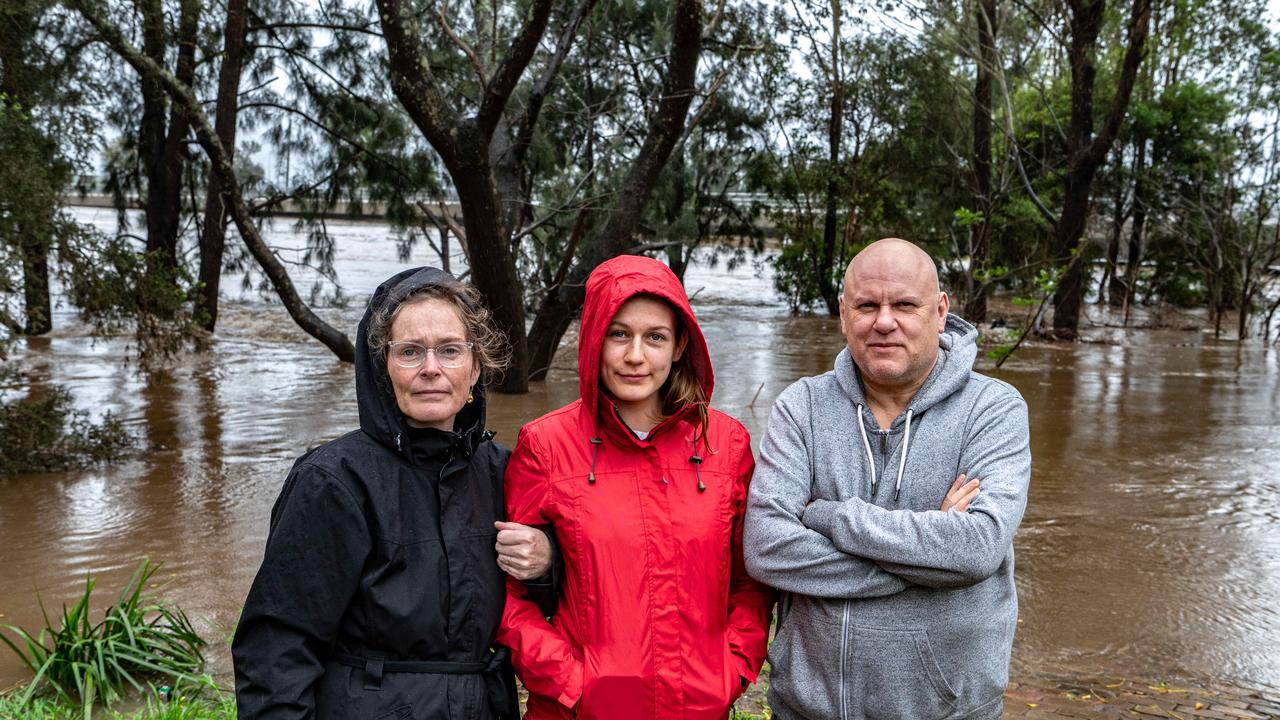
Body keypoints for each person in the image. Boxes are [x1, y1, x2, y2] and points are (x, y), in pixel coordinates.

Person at [232, 267, 553, 720]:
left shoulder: (506, 471)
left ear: (475, 367)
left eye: (449, 350)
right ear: (383, 368)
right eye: (409, 352)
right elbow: (276, 648)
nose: (430, 369)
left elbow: (567, 608)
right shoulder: (333, 481)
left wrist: (546, 564)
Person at [744, 238, 1031, 720]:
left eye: (904, 304)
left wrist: (829, 516)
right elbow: (767, 547)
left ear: (940, 311)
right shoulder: (802, 408)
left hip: (948, 711)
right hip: (806, 709)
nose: (883, 321)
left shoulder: (993, 409)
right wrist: (927, 561)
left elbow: (977, 547)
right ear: (842, 314)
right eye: (866, 305)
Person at [497, 255, 776, 720]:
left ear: (680, 344)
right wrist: (571, 682)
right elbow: (508, 593)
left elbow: (750, 581)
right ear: (593, 339)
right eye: (618, 333)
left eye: (655, 338)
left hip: (697, 708)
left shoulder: (725, 445)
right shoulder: (545, 445)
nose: (635, 356)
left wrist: (728, 672)